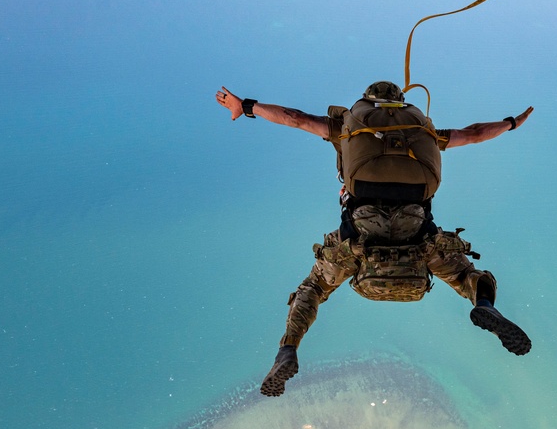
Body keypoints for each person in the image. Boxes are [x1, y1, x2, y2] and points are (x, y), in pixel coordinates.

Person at [215, 81, 533, 396]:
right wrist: (511, 123)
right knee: (467, 275)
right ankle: (485, 304)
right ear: (401, 100)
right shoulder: (425, 130)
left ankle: (289, 349)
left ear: (368, 99)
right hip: (417, 226)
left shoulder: (346, 127)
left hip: (359, 230)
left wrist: (244, 106)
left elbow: (294, 117)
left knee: (313, 288)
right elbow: (476, 132)